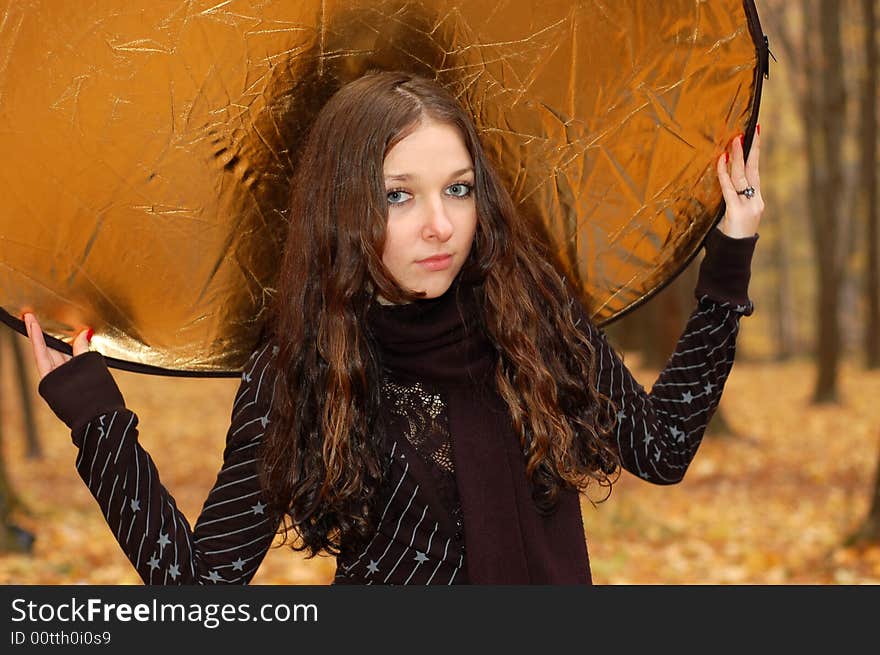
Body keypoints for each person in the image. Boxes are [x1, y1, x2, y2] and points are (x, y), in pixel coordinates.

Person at [23, 70, 762, 585]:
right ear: (344, 206)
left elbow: (662, 449)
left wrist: (729, 256)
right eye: (398, 195)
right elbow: (201, 588)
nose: (441, 225)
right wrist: (98, 421)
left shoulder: (535, 313)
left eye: (458, 189)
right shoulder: (298, 367)